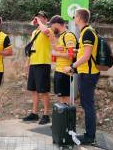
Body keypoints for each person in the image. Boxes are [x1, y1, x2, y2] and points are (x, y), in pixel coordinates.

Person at [63, 8, 100, 145]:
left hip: (89, 74)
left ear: (79, 17)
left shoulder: (87, 33)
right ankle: (89, 134)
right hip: (86, 72)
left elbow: (87, 56)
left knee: (88, 105)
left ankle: (90, 137)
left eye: (75, 16)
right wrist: (76, 51)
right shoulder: (86, 32)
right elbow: (84, 52)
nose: (74, 18)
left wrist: (72, 67)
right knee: (86, 103)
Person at [22, 11, 54, 125]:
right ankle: (34, 113)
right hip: (34, 63)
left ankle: (46, 114)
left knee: (43, 90)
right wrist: (28, 63)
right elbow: (32, 48)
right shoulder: (35, 32)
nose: (38, 19)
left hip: (43, 63)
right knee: (34, 90)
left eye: (41, 18)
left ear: (46, 19)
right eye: (37, 17)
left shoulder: (47, 30)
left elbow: (45, 30)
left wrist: (39, 21)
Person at [49, 15, 77, 104]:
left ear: (57, 24)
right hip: (59, 70)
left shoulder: (68, 36)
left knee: (65, 98)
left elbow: (71, 55)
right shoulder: (61, 36)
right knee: (61, 98)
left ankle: (66, 117)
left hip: (65, 72)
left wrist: (56, 53)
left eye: (52, 26)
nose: (52, 29)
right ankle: (62, 117)